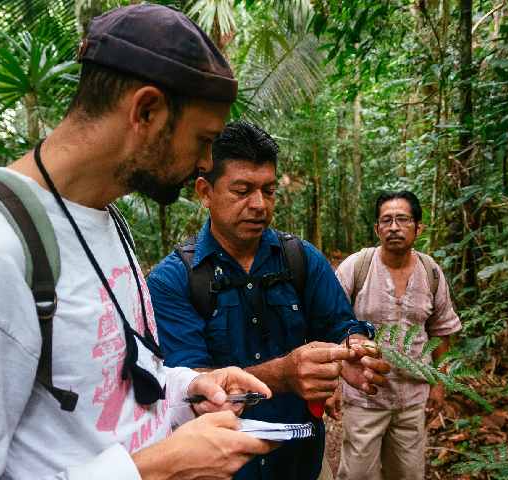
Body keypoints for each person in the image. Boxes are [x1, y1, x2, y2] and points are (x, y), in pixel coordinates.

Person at [0, 5, 278, 479]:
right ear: (146, 110)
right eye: (203, 140)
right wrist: (156, 470)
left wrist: (186, 388)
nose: (205, 162)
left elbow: (103, 391)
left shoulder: (102, 217)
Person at [147, 121, 391, 480]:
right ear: (205, 192)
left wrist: (354, 349)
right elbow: (189, 389)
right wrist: (282, 376)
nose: (259, 204)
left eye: (269, 190)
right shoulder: (173, 280)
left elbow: (342, 324)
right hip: (221, 469)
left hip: (302, 463)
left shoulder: (301, 259)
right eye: (242, 190)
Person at [334, 191, 462, 480]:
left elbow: (441, 333)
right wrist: (331, 382)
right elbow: (330, 325)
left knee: (407, 473)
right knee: (357, 474)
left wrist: (439, 385)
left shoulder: (431, 272)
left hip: (412, 400)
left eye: (402, 219)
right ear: (377, 229)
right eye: (386, 220)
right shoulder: (357, 267)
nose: (394, 227)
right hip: (365, 397)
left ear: (418, 227)